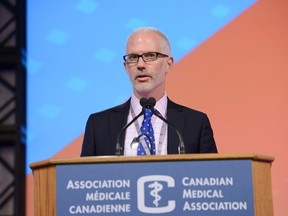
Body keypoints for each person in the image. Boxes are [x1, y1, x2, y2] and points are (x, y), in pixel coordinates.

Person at [81, 27, 217, 156]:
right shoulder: (98, 125)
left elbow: (212, 176)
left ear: (168, 64)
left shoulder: (196, 124)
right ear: (126, 67)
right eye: (133, 57)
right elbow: (84, 178)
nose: (140, 65)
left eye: (150, 55)